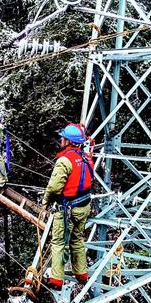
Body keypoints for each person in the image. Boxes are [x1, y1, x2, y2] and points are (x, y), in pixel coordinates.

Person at [41, 123, 94, 290]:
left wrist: (45, 202)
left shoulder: (65, 161)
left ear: (68, 141)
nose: (61, 140)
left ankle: (56, 279)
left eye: (63, 138)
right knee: (77, 239)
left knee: (59, 242)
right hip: (84, 206)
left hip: (67, 208)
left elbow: (54, 187)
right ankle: (82, 274)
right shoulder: (87, 158)